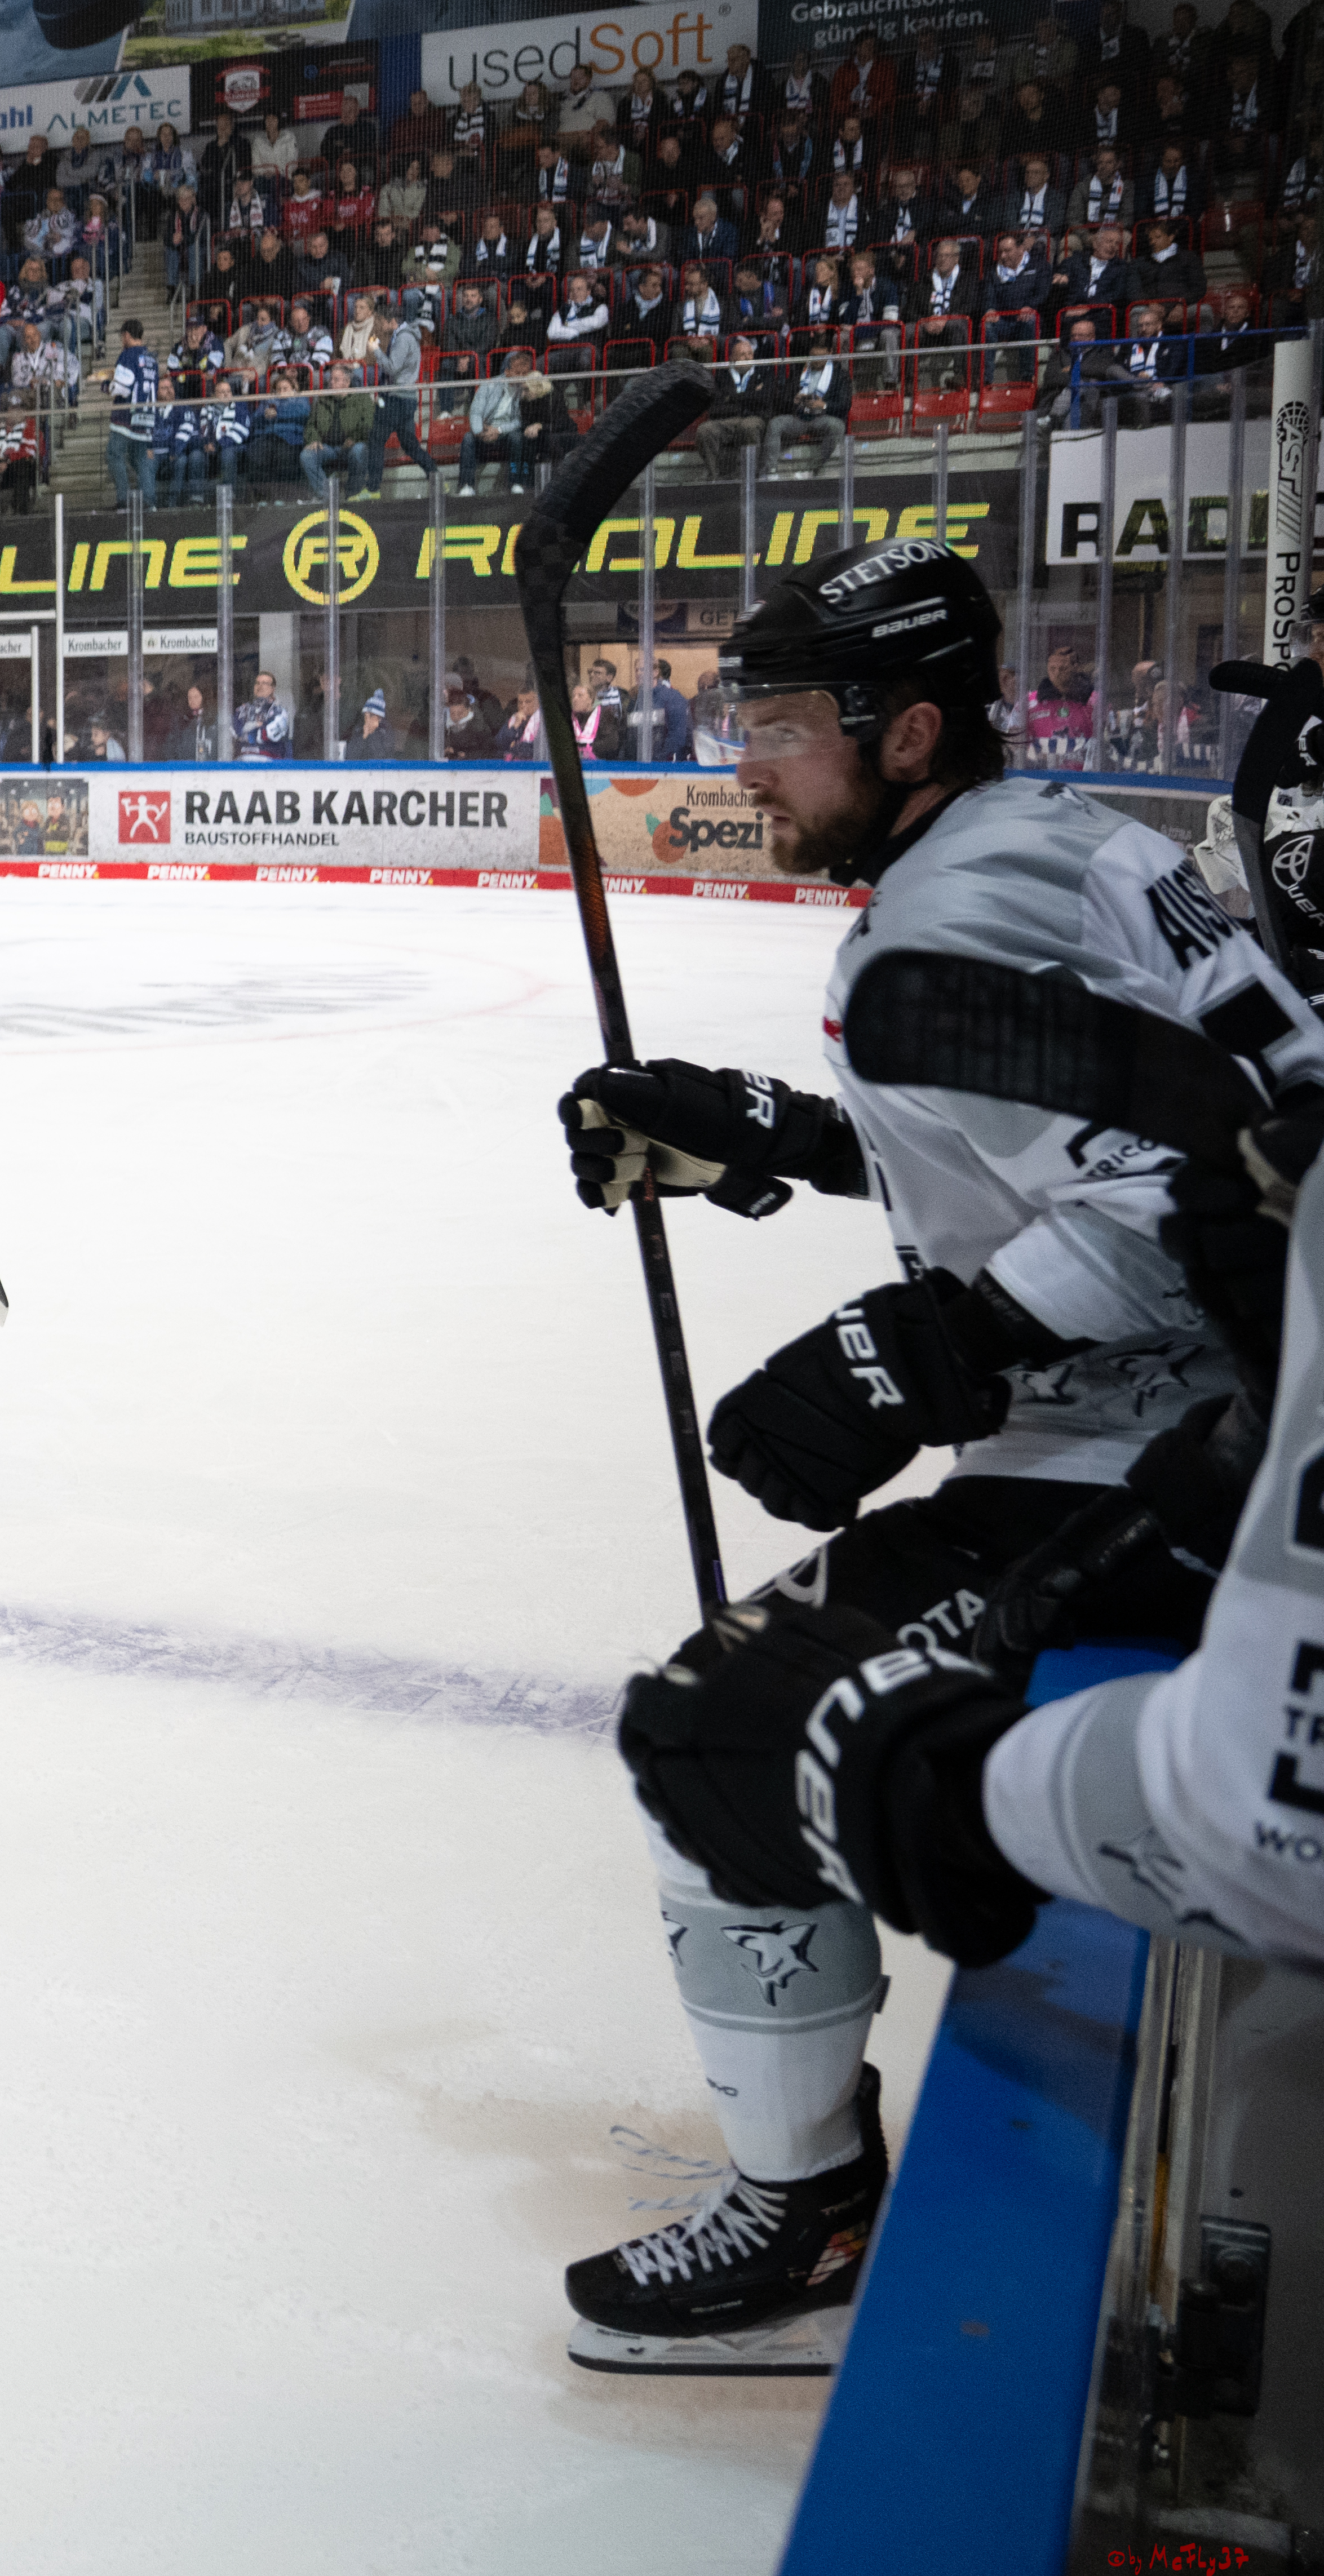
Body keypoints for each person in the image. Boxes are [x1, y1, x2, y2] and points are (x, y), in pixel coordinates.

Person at [548, 540, 1324, 2375]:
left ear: (906, 732)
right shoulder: (1050, 839)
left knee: (708, 1733)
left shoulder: (946, 914)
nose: (745, 762)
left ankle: (803, 2210)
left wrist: (918, 1348)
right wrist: (771, 1129)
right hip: (1228, 1413)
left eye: (781, 725)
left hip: (1177, 1449)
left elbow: (1176, 1205)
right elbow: (1071, 1130)